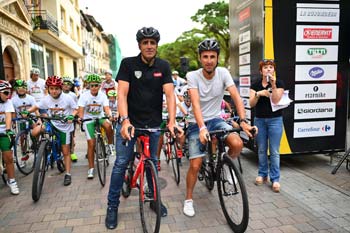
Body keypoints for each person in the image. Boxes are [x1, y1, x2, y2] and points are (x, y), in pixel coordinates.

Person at [105, 26, 183, 230]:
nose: (149, 46)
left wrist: (172, 121)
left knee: (153, 162)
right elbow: (121, 94)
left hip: (153, 124)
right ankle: (112, 206)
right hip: (130, 123)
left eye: (152, 43)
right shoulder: (128, 64)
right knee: (121, 162)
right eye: (145, 42)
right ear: (139, 45)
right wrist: (124, 120)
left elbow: (170, 94)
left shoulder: (163, 66)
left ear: (157, 45)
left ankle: (154, 200)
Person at [183, 39, 257, 217]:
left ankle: (225, 166)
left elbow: (236, 96)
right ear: (200, 58)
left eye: (212, 57)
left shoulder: (223, 73)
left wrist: (244, 121)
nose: (209, 60)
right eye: (205, 56)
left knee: (237, 144)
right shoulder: (193, 76)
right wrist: (201, 128)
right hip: (196, 122)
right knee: (195, 164)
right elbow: (195, 103)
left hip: (216, 119)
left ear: (217, 58)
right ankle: (188, 200)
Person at [24, 76, 78, 186]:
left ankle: (68, 174)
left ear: (60, 88)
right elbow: (36, 107)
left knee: (66, 151)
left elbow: (76, 109)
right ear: (48, 89)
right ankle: (42, 147)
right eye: (51, 88)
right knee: (35, 132)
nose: (54, 91)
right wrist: (27, 111)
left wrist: (72, 116)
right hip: (52, 122)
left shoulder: (67, 98)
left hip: (65, 126)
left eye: (56, 88)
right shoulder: (46, 98)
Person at [249, 59, 285, 193]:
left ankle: (275, 179)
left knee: (274, 151)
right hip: (260, 120)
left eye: (271, 67)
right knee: (262, 149)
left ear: (274, 70)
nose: (268, 69)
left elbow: (276, 100)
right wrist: (259, 94)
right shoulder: (256, 84)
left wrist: (274, 85)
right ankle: (262, 174)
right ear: (261, 71)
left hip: (275, 120)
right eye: (265, 67)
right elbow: (251, 104)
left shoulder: (279, 83)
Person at [77, 73, 115, 179]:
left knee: (108, 126)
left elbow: (106, 108)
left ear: (99, 86)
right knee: (91, 144)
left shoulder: (102, 95)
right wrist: (80, 117)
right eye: (92, 85)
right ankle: (91, 168)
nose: (94, 88)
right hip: (88, 120)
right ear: (89, 85)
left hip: (100, 117)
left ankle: (110, 145)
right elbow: (80, 110)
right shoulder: (84, 96)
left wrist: (109, 115)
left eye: (96, 85)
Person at [0, 80, 20, 195]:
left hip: (4, 133)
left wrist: (8, 130)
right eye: (6, 93)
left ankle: (12, 181)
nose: (9, 95)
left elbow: (8, 117)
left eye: (10, 93)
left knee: (8, 157)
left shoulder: (8, 102)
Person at [62, 76, 78, 162]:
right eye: (64, 83)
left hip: (70, 117)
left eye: (69, 84)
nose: (66, 85)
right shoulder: (58, 93)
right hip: (60, 117)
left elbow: (76, 106)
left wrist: (76, 116)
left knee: (71, 135)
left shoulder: (73, 95)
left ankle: (72, 152)